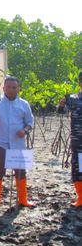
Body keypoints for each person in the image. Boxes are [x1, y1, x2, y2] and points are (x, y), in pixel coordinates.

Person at [0, 76, 35, 208]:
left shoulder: (24, 104)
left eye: (14, 87)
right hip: (1, 143)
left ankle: (23, 199)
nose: (11, 90)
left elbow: (30, 123)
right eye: (8, 87)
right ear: (3, 88)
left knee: (20, 171)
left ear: (18, 89)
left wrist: (25, 130)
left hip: (18, 144)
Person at [57, 71, 82, 207]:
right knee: (78, 167)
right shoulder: (73, 98)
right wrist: (61, 105)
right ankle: (81, 197)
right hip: (78, 140)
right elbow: (62, 112)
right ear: (79, 82)